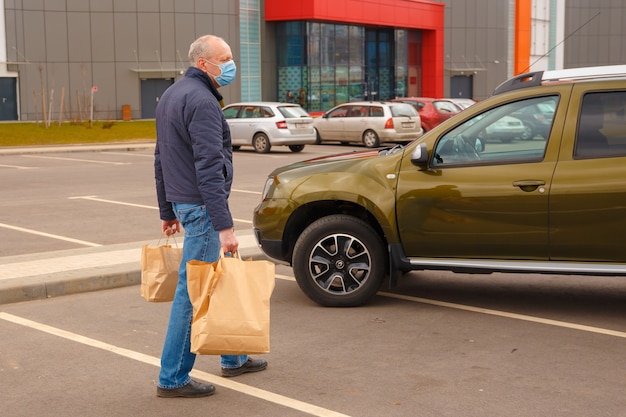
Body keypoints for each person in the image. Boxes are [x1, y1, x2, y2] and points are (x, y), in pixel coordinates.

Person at [153, 34, 267, 398]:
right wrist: (225, 225)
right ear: (204, 63)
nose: (231, 64)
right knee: (191, 293)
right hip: (203, 211)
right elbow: (208, 166)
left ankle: (233, 358)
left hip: (186, 205)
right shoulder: (201, 100)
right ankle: (171, 378)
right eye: (226, 58)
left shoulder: (172, 95)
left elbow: (161, 159)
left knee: (214, 283)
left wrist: (167, 210)